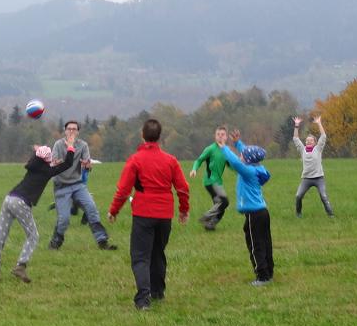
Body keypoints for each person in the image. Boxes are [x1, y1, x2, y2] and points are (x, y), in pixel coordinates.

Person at [107, 119, 190, 310]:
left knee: (141, 257)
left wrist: (113, 210)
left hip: (143, 213)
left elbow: (123, 190)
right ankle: (158, 292)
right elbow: (183, 188)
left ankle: (143, 299)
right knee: (158, 253)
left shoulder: (135, 159)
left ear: (142, 135)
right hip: (164, 214)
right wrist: (183, 210)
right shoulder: (171, 160)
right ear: (160, 137)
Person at [0, 138, 76, 283]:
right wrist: (71, 147)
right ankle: (20, 266)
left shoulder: (32, 165)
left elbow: (42, 161)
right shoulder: (47, 171)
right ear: (47, 160)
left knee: (1, 235)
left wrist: (40, 153)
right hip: (21, 202)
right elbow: (68, 163)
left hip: (9, 199)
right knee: (33, 236)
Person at [48, 120, 117, 251]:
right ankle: (55, 242)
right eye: (69, 129)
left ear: (78, 132)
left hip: (78, 185)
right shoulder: (58, 145)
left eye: (74, 129)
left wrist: (87, 165)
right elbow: (54, 163)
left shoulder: (83, 145)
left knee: (92, 209)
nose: (71, 131)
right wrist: (59, 161)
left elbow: (87, 163)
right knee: (64, 219)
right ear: (65, 131)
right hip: (61, 186)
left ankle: (102, 241)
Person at [221, 129, 274, 286]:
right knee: (266, 243)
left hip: (254, 215)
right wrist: (237, 143)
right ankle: (269, 272)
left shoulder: (248, 172)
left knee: (255, 245)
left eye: (242, 155)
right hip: (262, 212)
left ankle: (262, 276)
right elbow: (248, 154)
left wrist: (224, 147)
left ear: (248, 160)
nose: (240, 155)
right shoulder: (258, 168)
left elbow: (236, 163)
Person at [189, 125, 231, 231]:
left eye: (222, 134)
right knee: (224, 202)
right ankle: (206, 216)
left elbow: (231, 165)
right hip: (210, 181)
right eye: (218, 134)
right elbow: (199, 160)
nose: (220, 136)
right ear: (215, 136)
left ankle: (210, 225)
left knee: (220, 207)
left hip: (218, 182)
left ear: (226, 137)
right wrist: (194, 169)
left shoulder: (226, 151)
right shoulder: (210, 149)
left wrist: (241, 172)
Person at [293, 115, 334, 218]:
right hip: (306, 179)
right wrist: (296, 126)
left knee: (323, 196)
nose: (308, 141)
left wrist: (319, 123)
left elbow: (323, 136)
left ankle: (330, 214)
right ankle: (298, 213)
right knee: (298, 196)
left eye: (311, 140)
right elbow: (296, 139)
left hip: (319, 178)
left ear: (315, 142)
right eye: (307, 140)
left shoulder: (318, 149)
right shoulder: (302, 150)